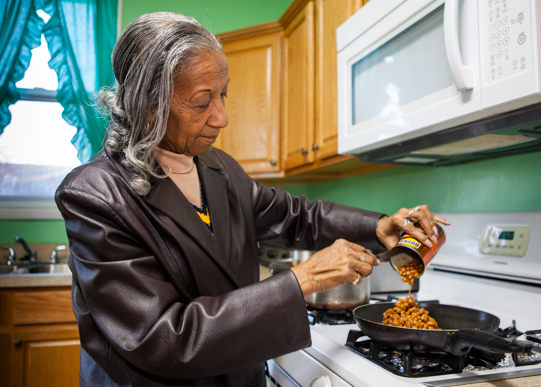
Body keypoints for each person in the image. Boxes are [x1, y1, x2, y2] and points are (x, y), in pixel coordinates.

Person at [55, 12, 450, 386]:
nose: (222, 116)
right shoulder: (94, 196)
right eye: (202, 101)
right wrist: (302, 280)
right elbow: (165, 338)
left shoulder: (219, 168)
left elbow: (296, 216)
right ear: (149, 106)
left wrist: (377, 225)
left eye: (223, 94)